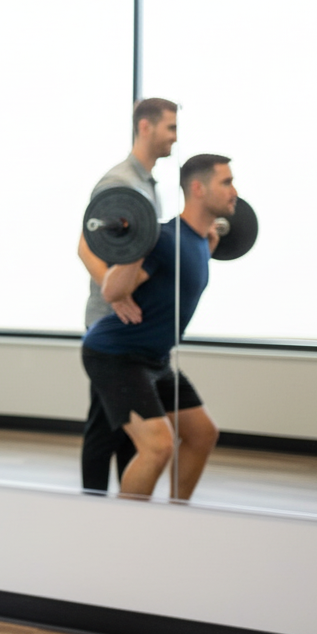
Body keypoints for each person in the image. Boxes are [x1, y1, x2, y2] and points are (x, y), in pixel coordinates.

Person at [80, 154, 230, 501]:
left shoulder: (201, 241)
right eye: (226, 182)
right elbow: (113, 291)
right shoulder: (162, 238)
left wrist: (209, 245)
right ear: (198, 188)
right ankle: (125, 533)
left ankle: (175, 515)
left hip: (154, 359)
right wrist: (138, 242)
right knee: (157, 446)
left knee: (202, 433)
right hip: (115, 355)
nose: (234, 191)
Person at [76, 97, 177, 494]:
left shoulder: (147, 186)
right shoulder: (119, 183)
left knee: (115, 428)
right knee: (105, 429)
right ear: (146, 127)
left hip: (127, 324)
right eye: (170, 127)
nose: (175, 137)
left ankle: (120, 505)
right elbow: (85, 245)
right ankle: (97, 508)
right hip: (108, 323)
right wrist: (114, 294)